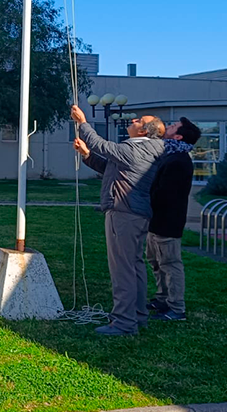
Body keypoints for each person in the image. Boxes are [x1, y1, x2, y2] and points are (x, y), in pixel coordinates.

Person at [72, 105, 165, 336]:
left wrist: (83, 123)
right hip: (135, 214)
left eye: (138, 121)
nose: (132, 120)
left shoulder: (137, 150)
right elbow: (108, 166)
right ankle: (138, 316)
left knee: (122, 270)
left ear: (144, 132)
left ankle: (124, 323)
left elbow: (102, 146)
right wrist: (86, 155)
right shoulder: (143, 150)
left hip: (124, 213)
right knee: (134, 266)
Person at [146, 117, 201, 322]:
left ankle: (176, 307)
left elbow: (165, 194)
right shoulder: (170, 155)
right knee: (156, 261)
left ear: (178, 136)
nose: (167, 128)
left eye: (172, 127)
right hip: (157, 220)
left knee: (170, 263)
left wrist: (147, 202)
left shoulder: (179, 160)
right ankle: (162, 298)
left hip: (167, 222)